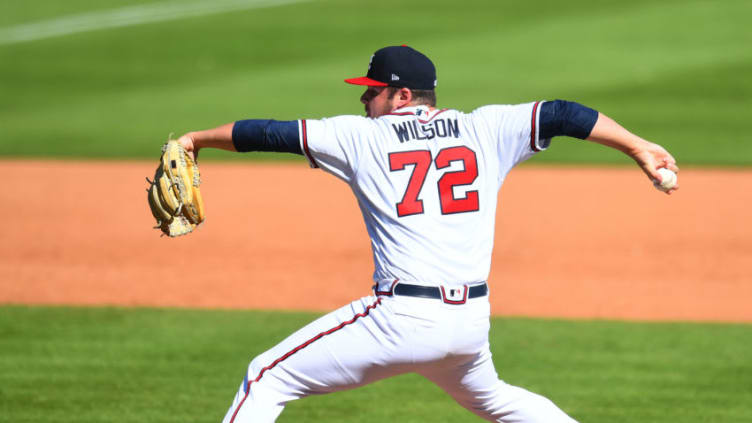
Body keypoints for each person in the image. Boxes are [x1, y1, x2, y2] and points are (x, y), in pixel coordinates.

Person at [177, 45, 679, 423]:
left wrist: (196, 140)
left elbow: (266, 133)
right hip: (468, 324)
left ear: (400, 95)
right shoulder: (485, 128)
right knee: (495, 398)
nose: (362, 96)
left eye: (372, 90)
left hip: (401, 318)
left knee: (268, 376)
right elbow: (564, 114)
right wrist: (638, 147)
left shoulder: (359, 136)